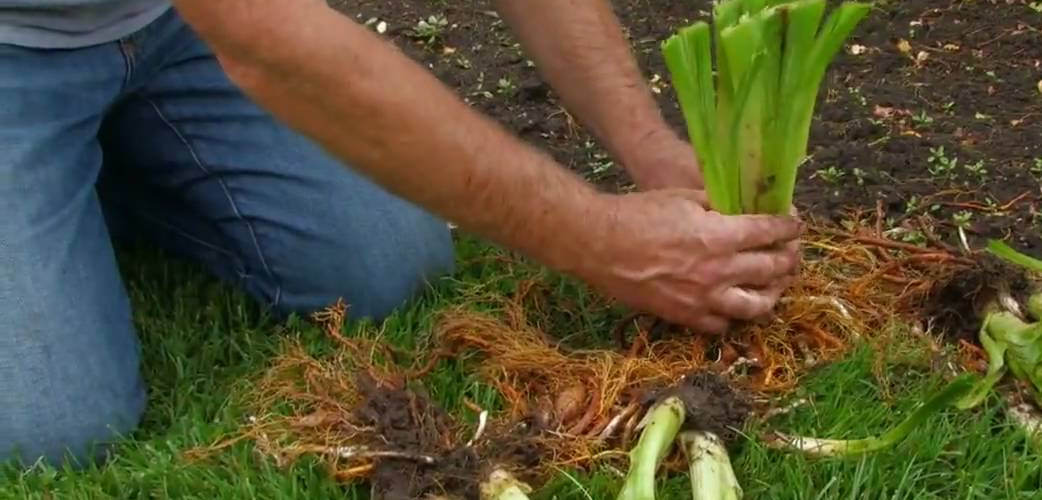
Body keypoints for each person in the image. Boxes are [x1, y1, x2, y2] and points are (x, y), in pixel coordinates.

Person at [0, 0, 803, 470]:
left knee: (386, 266)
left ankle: (97, 173)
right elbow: (270, 43)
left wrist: (652, 151)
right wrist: (604, 242)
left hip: (172, 22)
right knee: (55, 426)